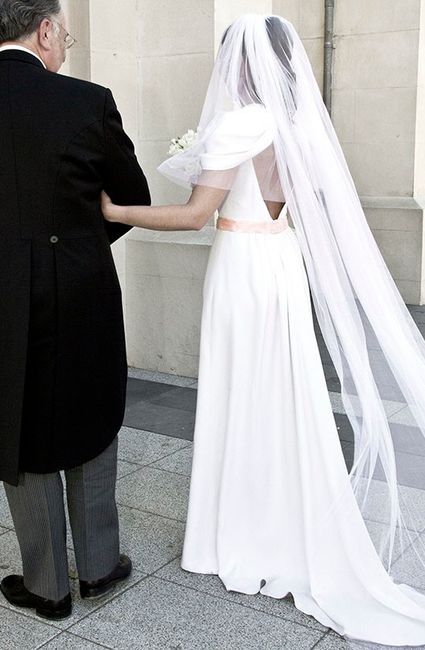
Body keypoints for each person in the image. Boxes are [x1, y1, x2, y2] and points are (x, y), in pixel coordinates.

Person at [102, 14, 425, 646]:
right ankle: (279, 519)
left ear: (241, 63)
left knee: (241, 394)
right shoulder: (299, 124)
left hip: (242, 266)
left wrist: (116, 210)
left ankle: (239, 532)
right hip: (281, 261)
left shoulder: (240, 123)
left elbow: (197, 214)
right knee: (282, 396)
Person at [0, 0, 150, 619]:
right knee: (88, 410)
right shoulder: (87, 100)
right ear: (43, 29)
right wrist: (74, 245)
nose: (65, 43)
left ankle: (45, 586)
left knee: (18, 421)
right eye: (65, 32)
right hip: (79, 282)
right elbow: (129, 199)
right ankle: (96, 567)